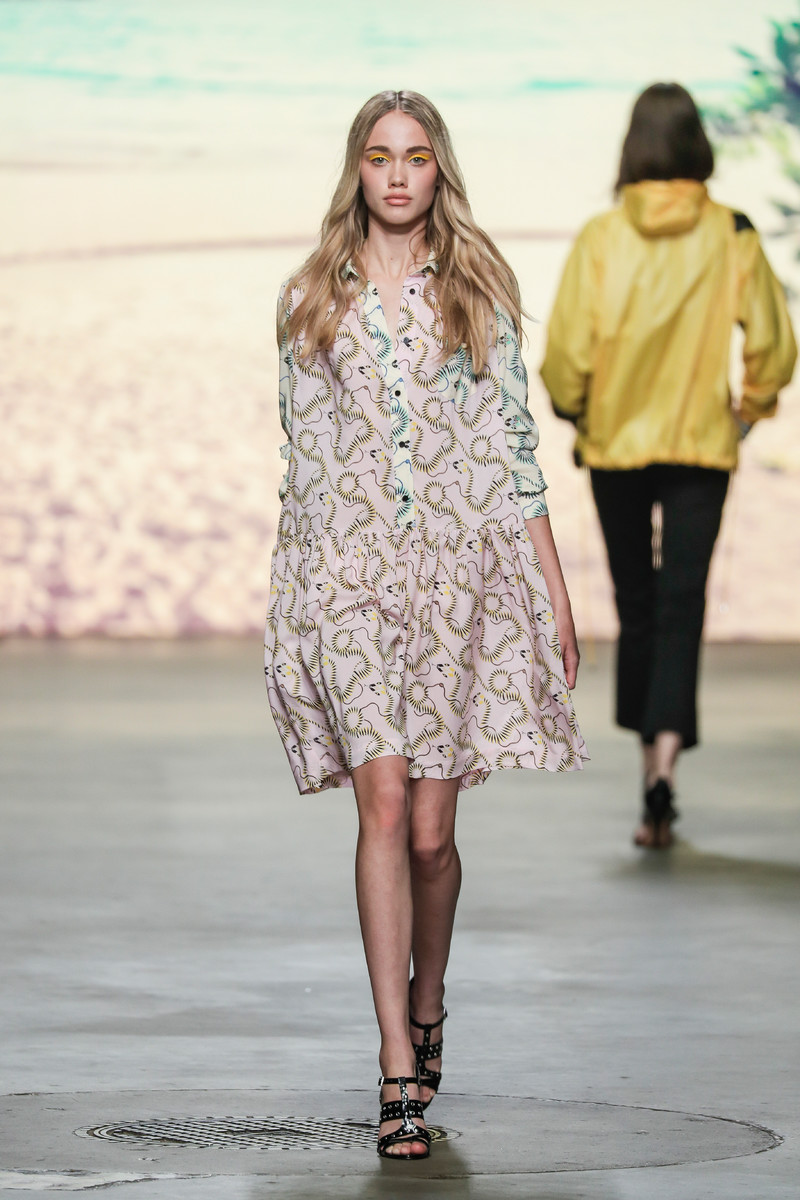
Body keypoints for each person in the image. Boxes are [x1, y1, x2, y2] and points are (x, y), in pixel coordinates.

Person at [264, 89, 587, 1159]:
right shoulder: (308, 297)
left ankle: (430, 991)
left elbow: (515, 451)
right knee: (385, 807)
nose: (396, 175)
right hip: (351, 584)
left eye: (413, 156)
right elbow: (302, 466)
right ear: (355, 171)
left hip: (457, 583)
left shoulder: (476, 292)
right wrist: (298, 605)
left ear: (438, 169)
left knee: (433, 837)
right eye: (377, 156)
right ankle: (396, 1061)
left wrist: (551, 592)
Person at [541, 82, 796, 850]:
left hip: (615, 449)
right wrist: (747, 412)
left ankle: (645, 769)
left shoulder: (601, 237)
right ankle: (663, 773)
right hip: (700, 448)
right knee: (682, 604)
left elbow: (564, 355)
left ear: (633, 146)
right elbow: (775, 344)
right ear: (697, 145)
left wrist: (579, 414)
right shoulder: (732, 233)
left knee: (638, 604)